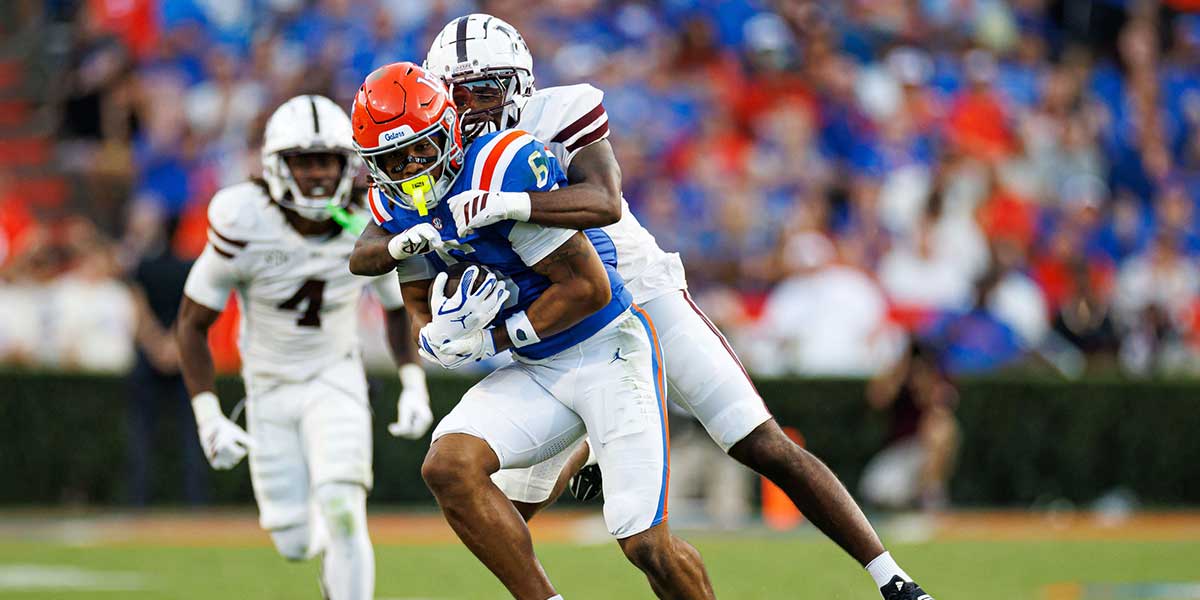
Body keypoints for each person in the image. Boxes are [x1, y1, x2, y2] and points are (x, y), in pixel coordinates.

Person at [415, 14, 933, 599]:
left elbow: (604, 200)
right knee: (506, 507)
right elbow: (397, 230)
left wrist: (508, 202)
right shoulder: (435, 147)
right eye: (458, 90)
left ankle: (893, 579)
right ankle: (593, 441)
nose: (473, 103)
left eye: (485, 87)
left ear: (519, 84)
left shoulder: (560, 112)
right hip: (561, 321)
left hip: (639, 290)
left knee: (758, 441)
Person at [348, 61, 715, 600]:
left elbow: (589, 289)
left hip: (608, 349)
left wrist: (491, 340)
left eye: (420, 149)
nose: (409, 168)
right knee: (449, 467)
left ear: (449, 128)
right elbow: (389, 274)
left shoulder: (502, 165)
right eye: (392, 159)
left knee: (646, 545)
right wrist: (436, 334)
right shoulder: (397, 202)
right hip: (538, 366)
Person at [175, 94, 430, 600]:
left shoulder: (366, 220)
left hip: (335, 377)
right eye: (303, 161)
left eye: (327, 161)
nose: (316, 175)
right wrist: (208, 416)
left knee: (343, 506)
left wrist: (413, 383)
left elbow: (396, 309)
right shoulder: (241, 217)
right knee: (293, 540)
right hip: (267, 388)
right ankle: (320, 536)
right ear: (276, 165)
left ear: (348, 165)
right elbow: (190, 323)